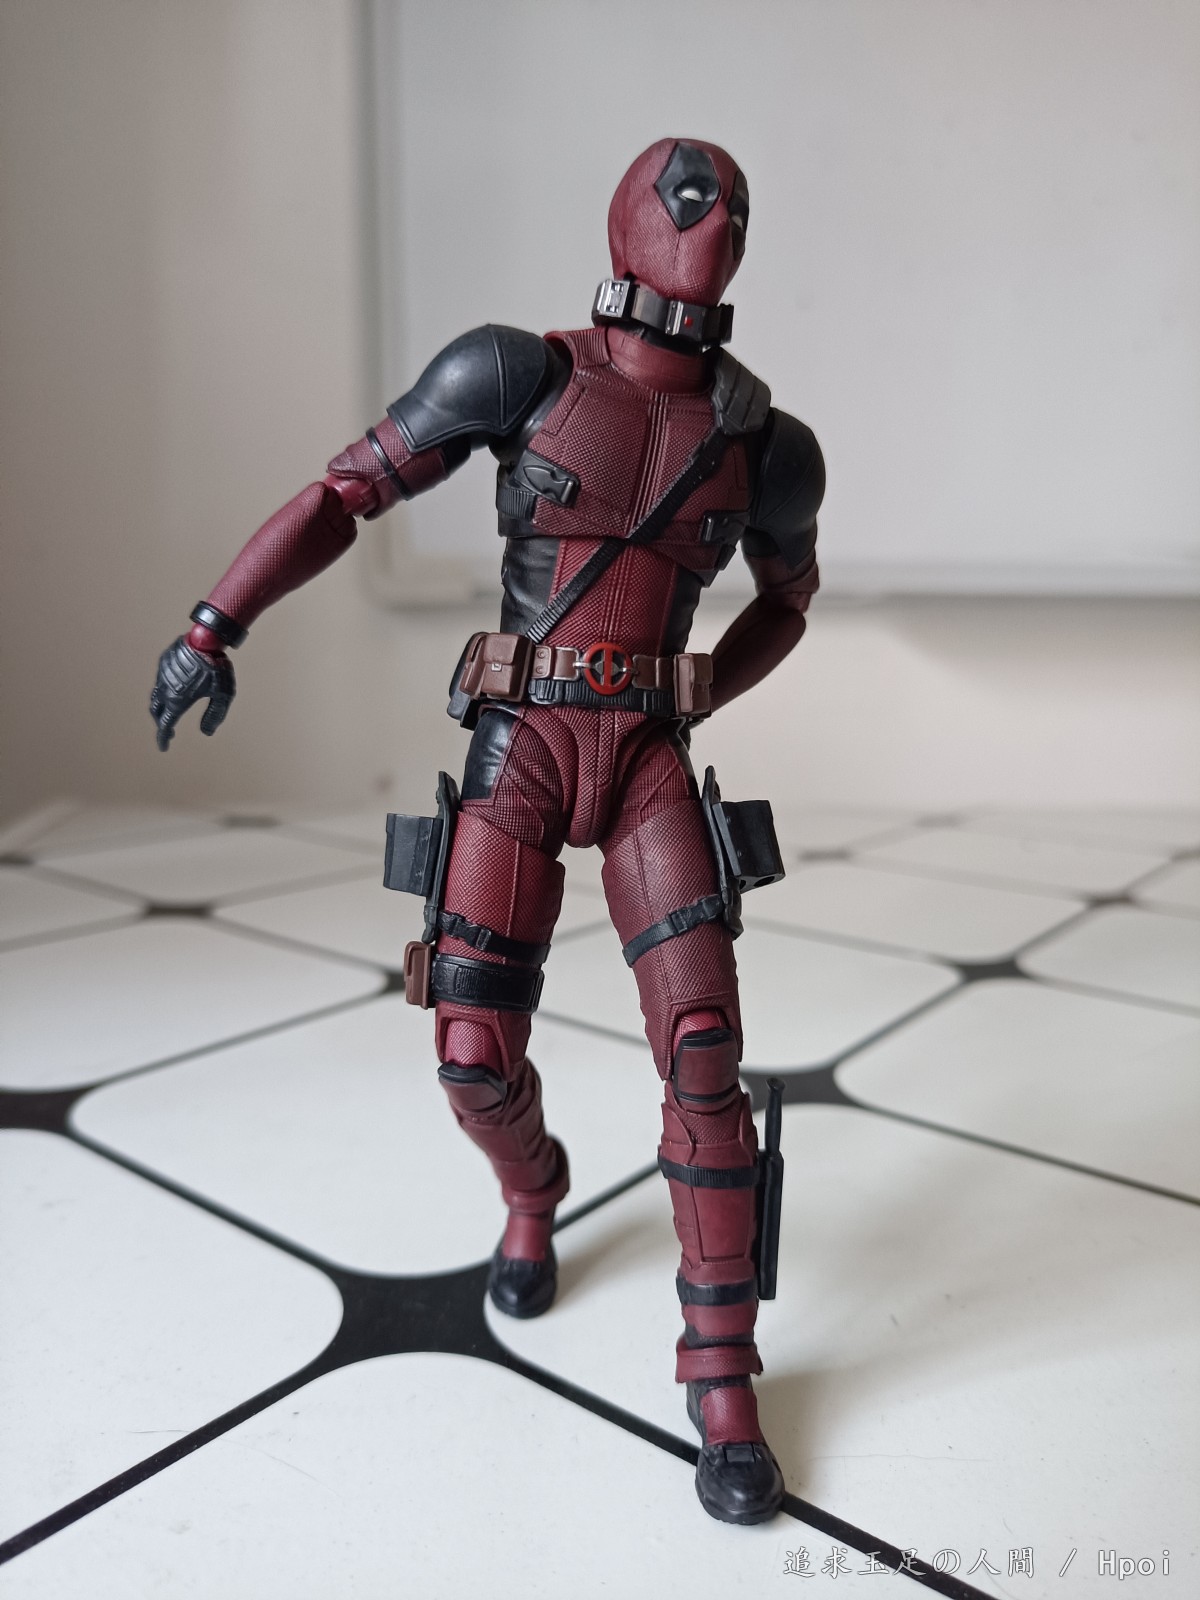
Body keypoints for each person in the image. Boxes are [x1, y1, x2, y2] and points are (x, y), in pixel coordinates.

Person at [151, 137, 824, 1524]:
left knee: (705, 1051)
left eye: (733, 208)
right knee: (469, 1054)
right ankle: (536, 1187)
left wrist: (707, 684)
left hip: (645, 761)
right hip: (519, 750)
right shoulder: (517, 374)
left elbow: (788, 600)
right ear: (630, 222)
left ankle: (721, 1374)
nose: (711, 223)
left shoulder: (765, 442)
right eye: (686, 199)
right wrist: (215, 624)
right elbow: (345, 494)